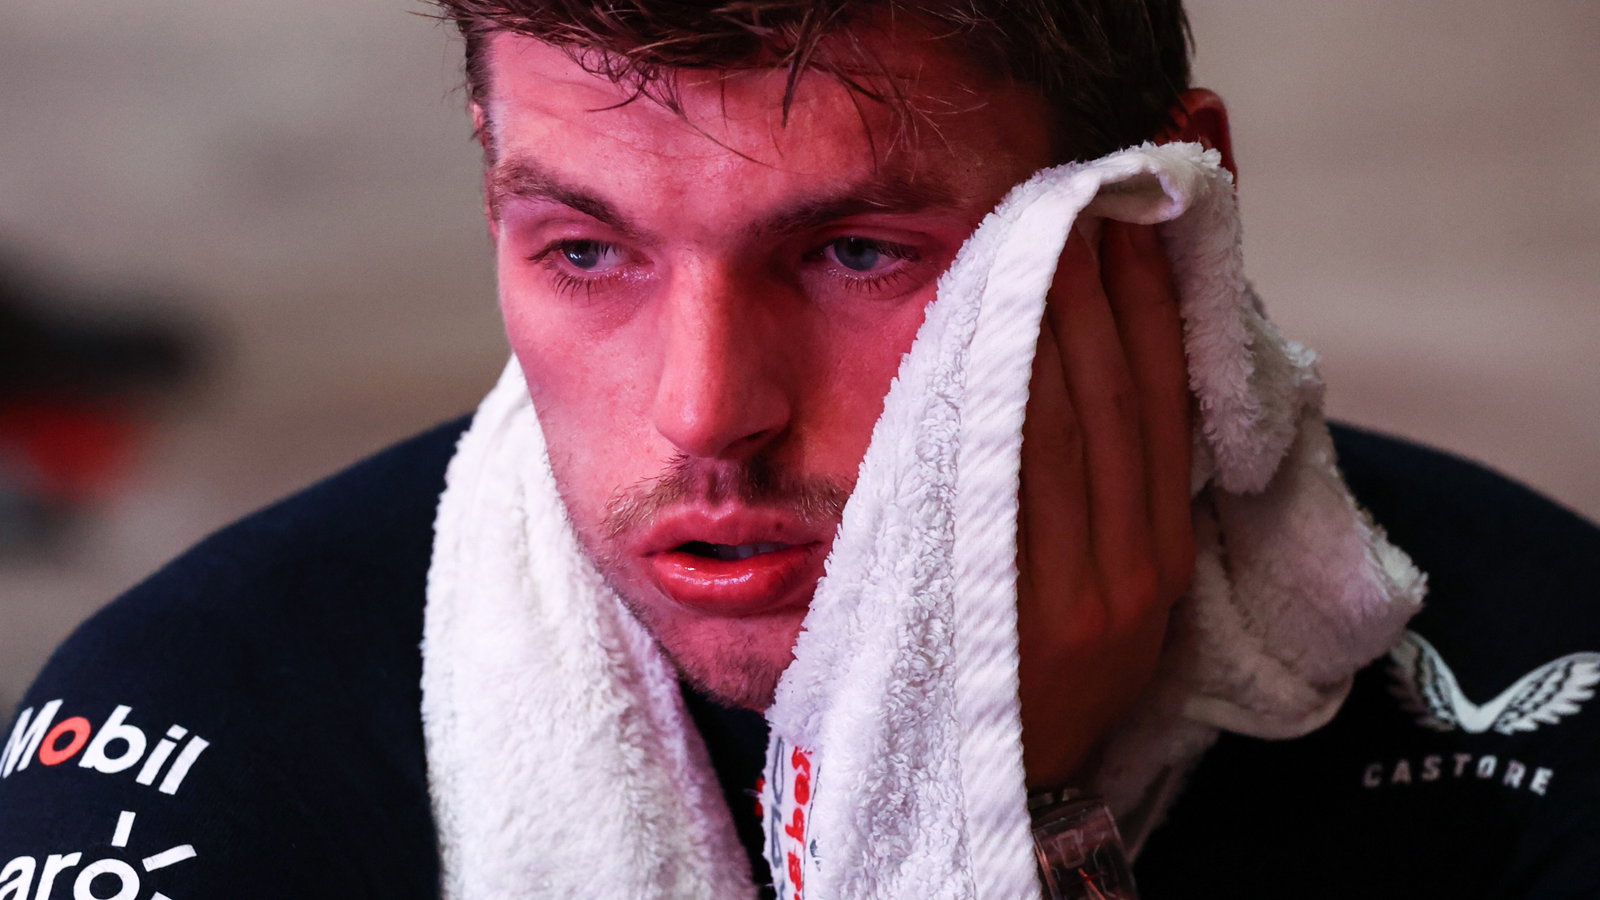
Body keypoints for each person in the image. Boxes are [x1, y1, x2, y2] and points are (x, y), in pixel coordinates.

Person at [1, 2, 1596, 898]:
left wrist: (1007, 822)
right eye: (584, 251)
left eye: (854, 253)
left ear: (1159, 216)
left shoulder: (1538, 692)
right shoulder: (199, 741)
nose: (705, 415)